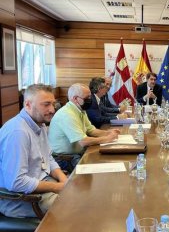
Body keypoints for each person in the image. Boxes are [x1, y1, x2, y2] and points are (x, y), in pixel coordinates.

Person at [0, 84, 67, 218]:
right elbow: (16, 182)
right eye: (46, 104)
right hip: (17, 199)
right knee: (75, 205)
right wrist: (56, 187)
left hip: (40, 186)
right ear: (28, 105)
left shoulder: (40, 123)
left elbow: (48, 159)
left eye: (53, 104)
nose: (52, 109)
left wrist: (63, 180)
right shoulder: (17, 132)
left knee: (81, 192)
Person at [48, 83, 120, 172]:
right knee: (94, 170)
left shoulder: (80, 109)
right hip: (64, 158)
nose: (90, 100)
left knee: (104, 160)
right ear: (75, 99)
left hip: (77, 153)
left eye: (90, 97)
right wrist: (106, 139)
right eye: (87, 98)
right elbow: (83, 141)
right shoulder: (67, 115)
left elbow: (91, 130)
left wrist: (109, 132)